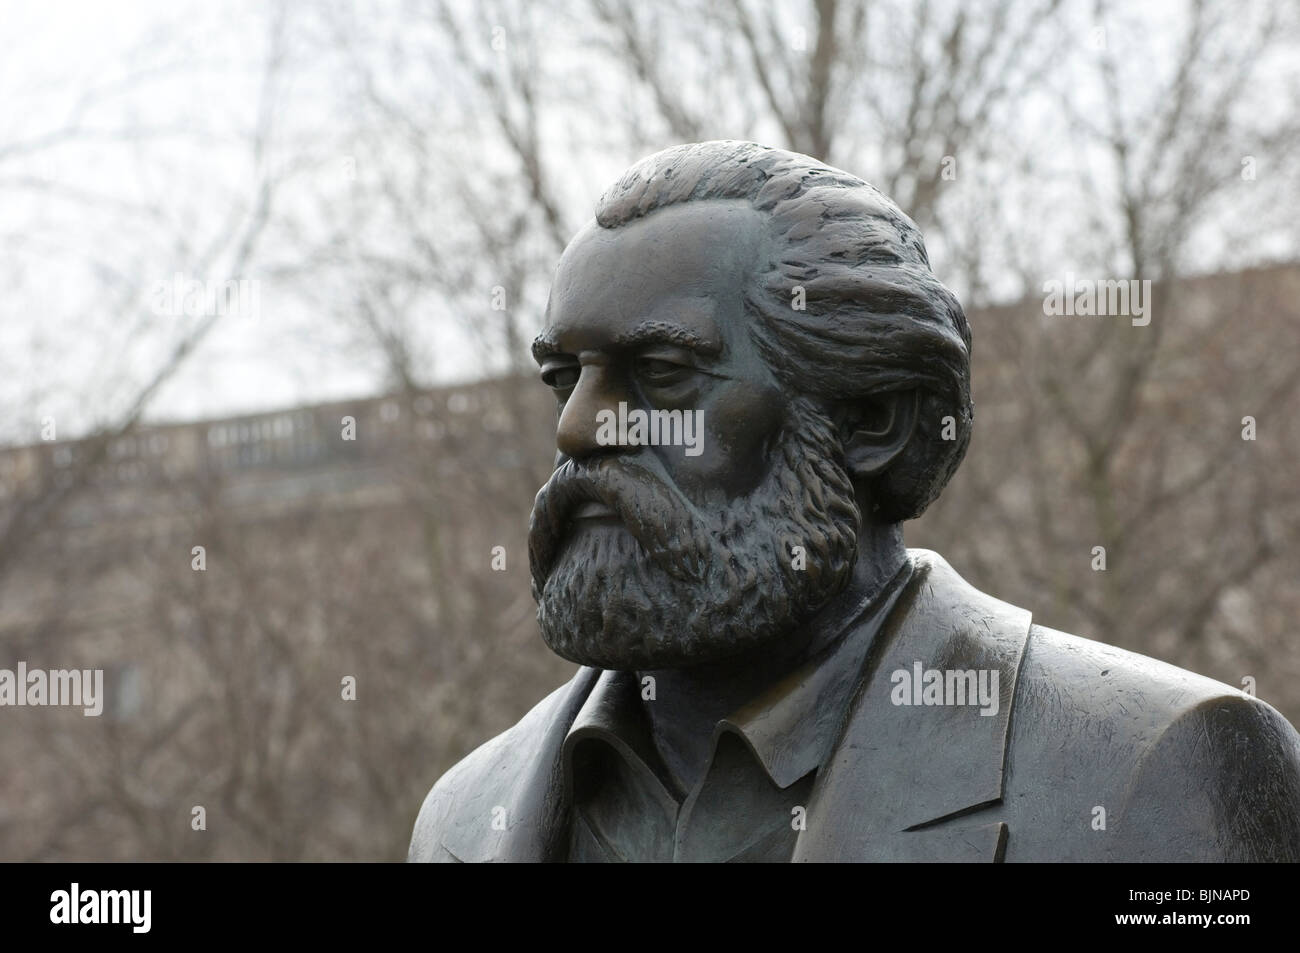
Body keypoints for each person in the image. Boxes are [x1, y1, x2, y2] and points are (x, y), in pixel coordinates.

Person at [409, 140, 1300, 862]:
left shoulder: (1157, 770)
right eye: (564, 377)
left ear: (871, 417)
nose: (576, 428)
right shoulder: (462, 818)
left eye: (665, 373)